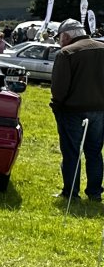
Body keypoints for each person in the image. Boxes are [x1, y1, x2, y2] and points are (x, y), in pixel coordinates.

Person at [50, 19, 104, 201]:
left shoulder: (67, 53)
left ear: (66, 36)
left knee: (72, 152)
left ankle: (71, 192)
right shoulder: (102, 48)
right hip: (99, 111)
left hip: (72, 111)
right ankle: (95, 193)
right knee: (94, 152)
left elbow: (59, 88)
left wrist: (57, 105)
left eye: (59, 37)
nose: (59, 41)